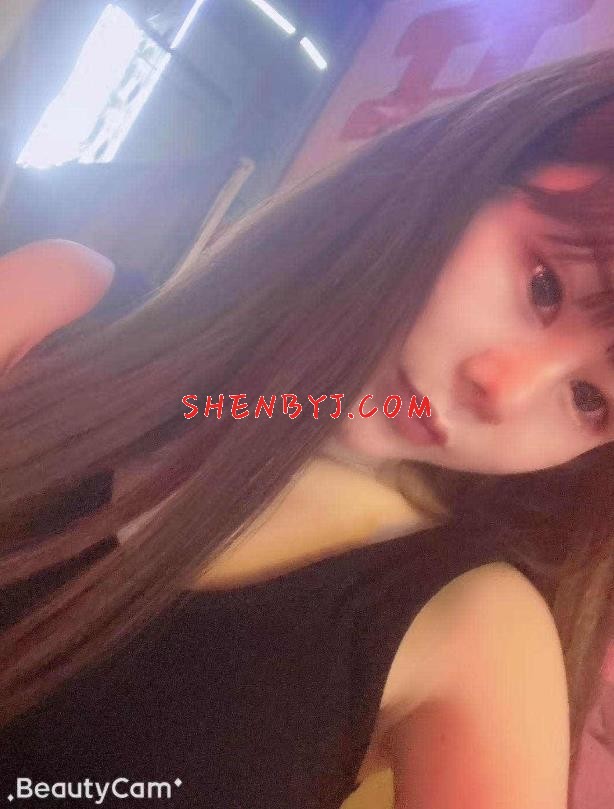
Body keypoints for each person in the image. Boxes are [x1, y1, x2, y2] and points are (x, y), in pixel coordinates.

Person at [1, 47, 614, 808]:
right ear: (468, 167)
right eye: (544, 285)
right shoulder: (54, 306)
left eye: (591, 400)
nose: (502, 389)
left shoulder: (480, 631)